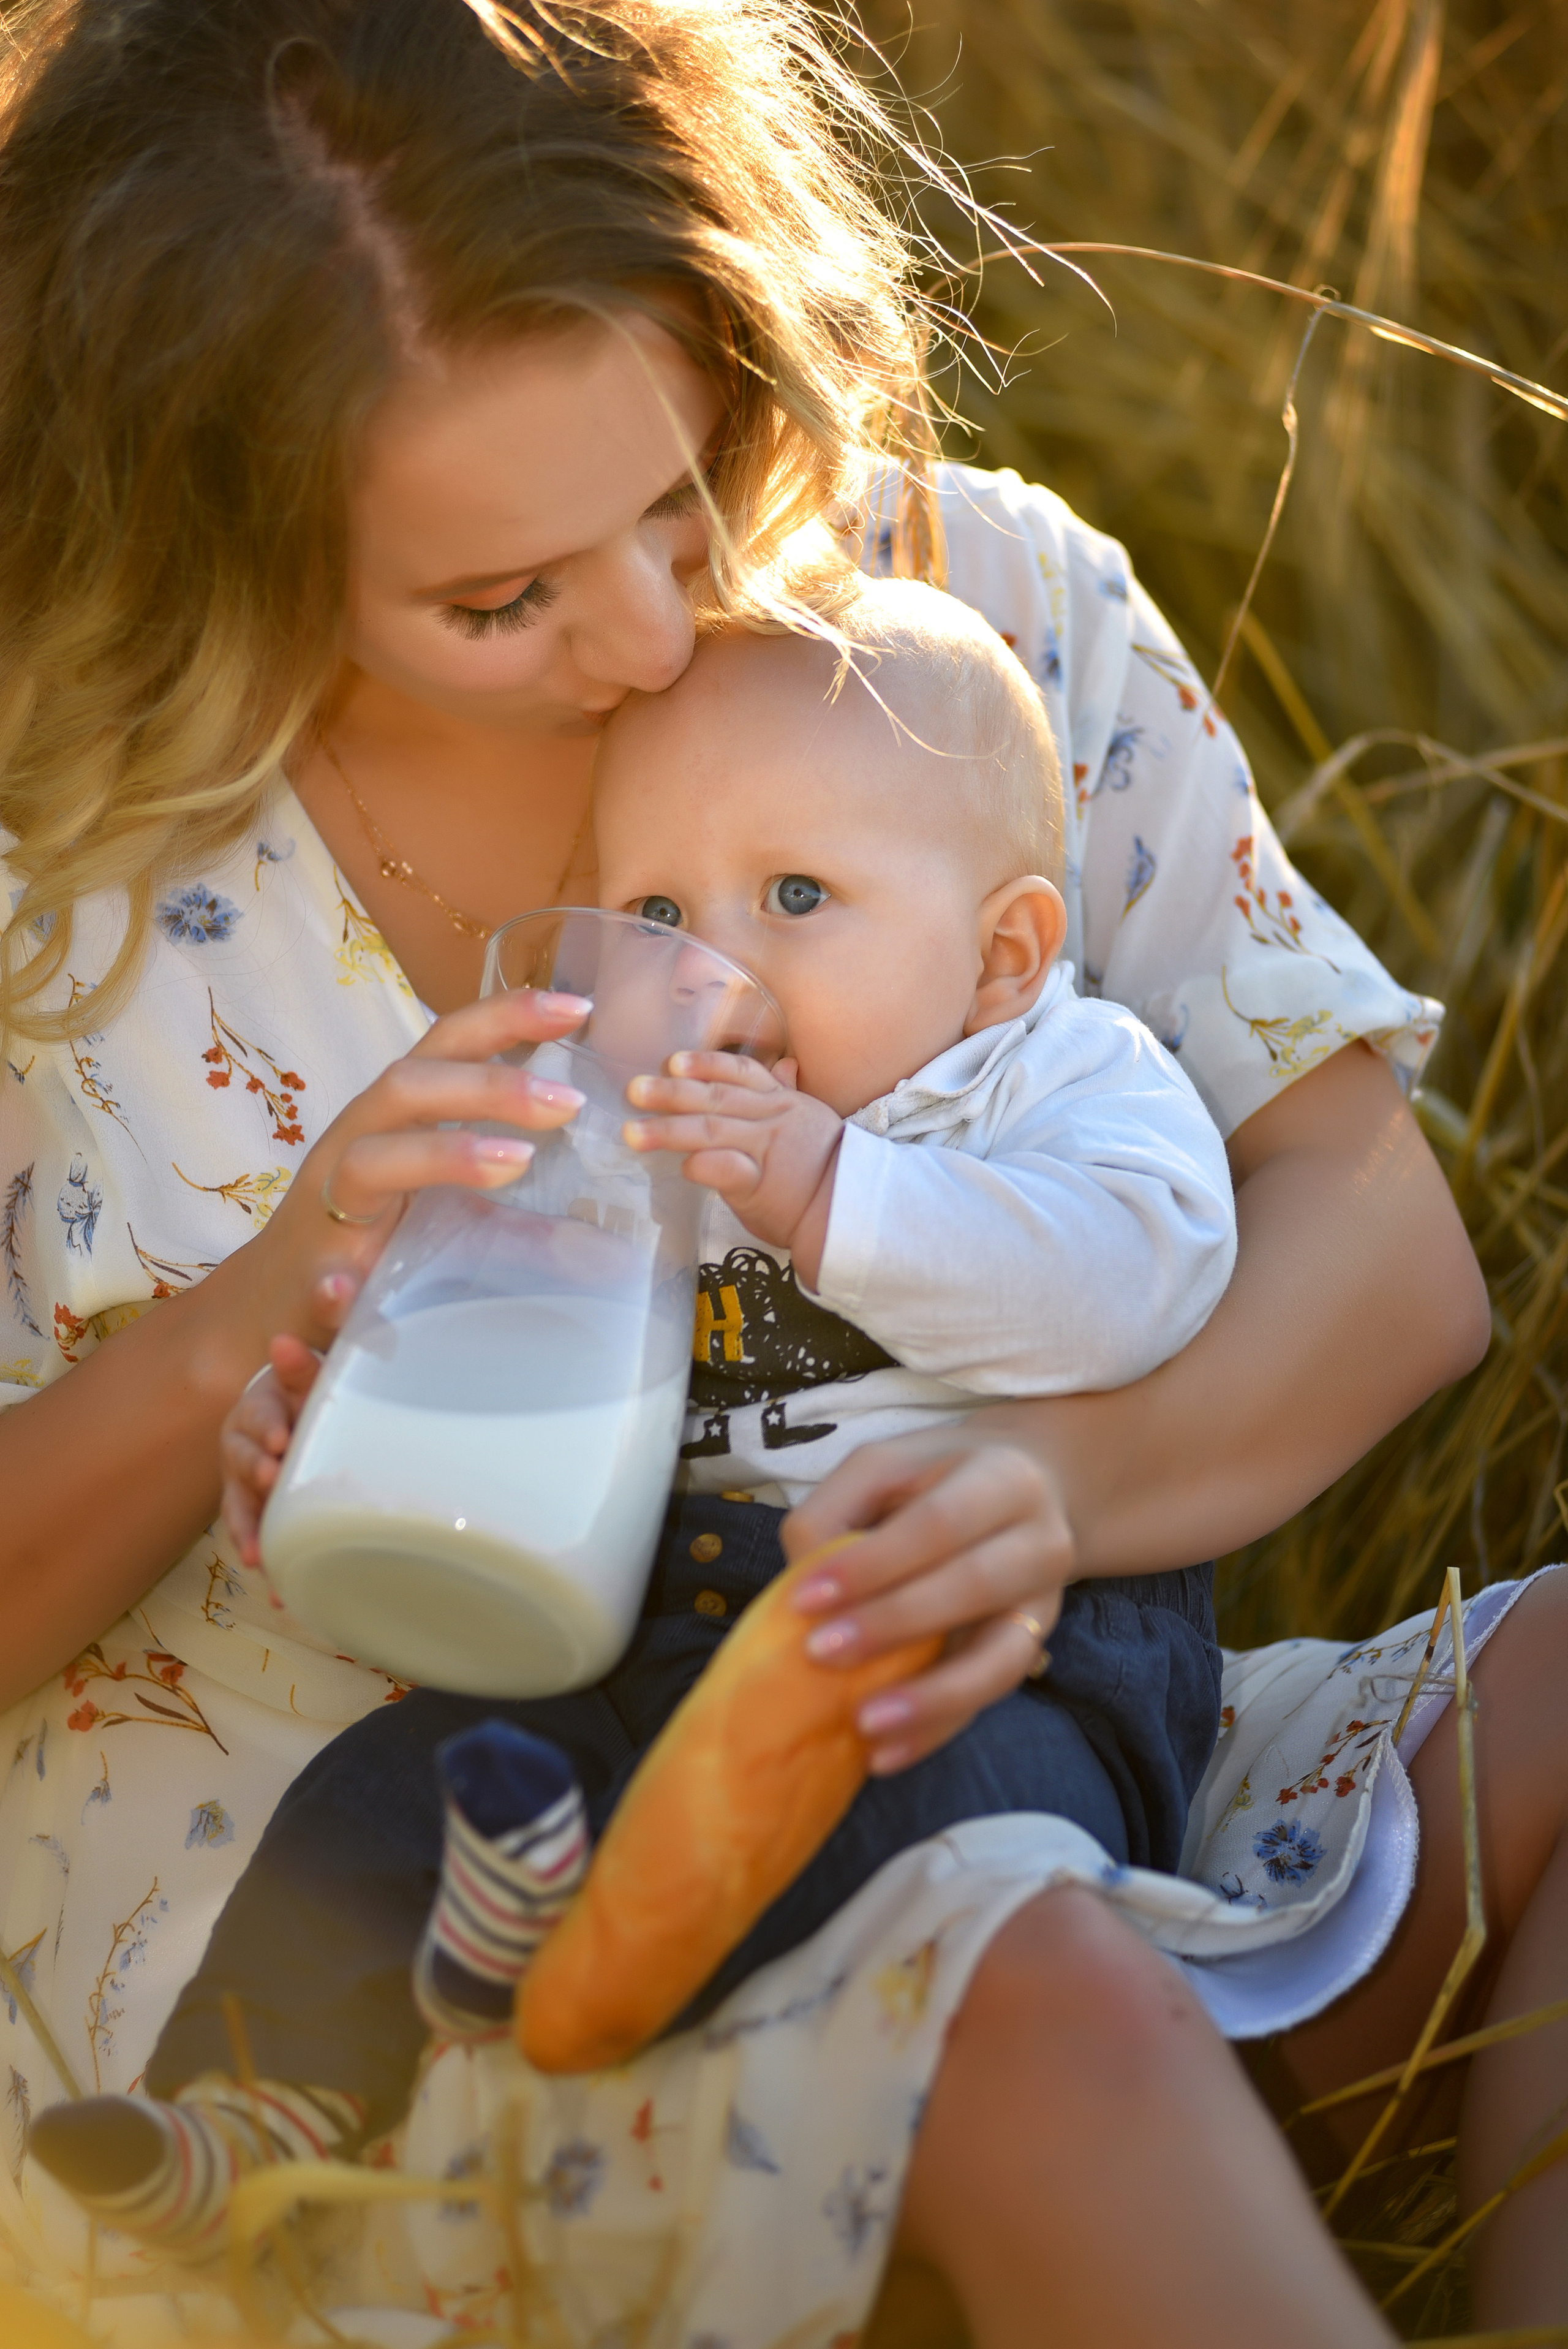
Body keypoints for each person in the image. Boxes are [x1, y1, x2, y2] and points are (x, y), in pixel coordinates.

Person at [0, 0, 1558, 2342]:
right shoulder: (86, 908)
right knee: (1021, 1995)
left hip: (1008, 1706)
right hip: (419, 1904)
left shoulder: (964, 616)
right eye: (499, 596)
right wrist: (251, 1316)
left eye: (684, 479)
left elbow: (1386, 1247)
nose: (652, 630)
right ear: (221, 527)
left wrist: (1058, 1488)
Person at [28, 577, 1242, 2254]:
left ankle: (563, 1971)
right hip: (655, 1650)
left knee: (952, 1829)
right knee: (392, 1788)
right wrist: (320, 1435)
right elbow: (528, 1395)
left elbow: (1135, 1282)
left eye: (797, 896)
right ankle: (259, 2112)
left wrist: (831, 1187)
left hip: (973, 1657)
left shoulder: (1055, 1080)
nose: (715, 969)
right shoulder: (636, 1143)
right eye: (659, 908)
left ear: (1004, 951)